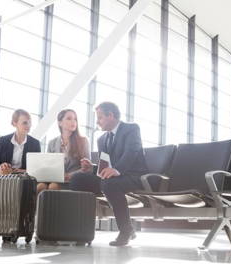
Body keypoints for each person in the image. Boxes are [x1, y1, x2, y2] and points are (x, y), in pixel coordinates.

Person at [70, 102, 148, 246]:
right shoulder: (102, 139)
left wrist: (117, 169)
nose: (97, 122)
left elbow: (132, 152)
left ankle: (126, 230)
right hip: (111, 177)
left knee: (109, 183)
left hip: (133, 176)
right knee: (78, 179)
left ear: (111, 115)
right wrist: (92, 168)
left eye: (100, 118)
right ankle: (80, 230)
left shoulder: (131, 129)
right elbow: (104, 166)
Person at [0, 109, 41, 224]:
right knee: (4, 172)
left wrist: (22, 170)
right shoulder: (4, 140)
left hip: (24, 179)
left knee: (9, 179)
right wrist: (1, 166)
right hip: (6, 177)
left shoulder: (35, 143)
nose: (28, 125)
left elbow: (37, 169)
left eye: (29, 122)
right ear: (14, 123)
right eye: (25, 122)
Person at [36, 109, 90, 194]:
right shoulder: (52, 143)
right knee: (40, 186)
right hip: (55, 178)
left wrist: (69, 175)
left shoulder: (83, 141)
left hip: (74, 179)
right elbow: (48, 165)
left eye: (75, 119)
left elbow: (87, 168)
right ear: (60, 123)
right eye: (69, 118)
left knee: (53, 186)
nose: (73, 121)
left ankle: (51, 207)